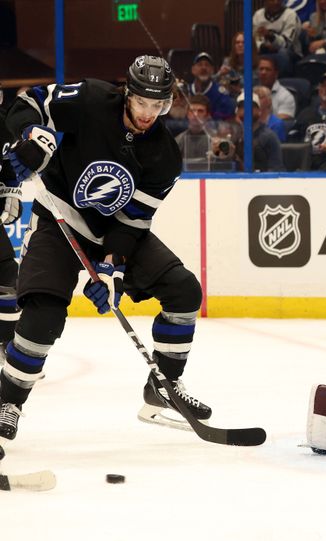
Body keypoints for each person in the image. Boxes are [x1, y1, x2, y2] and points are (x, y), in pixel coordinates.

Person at [0, 55, 211, 440]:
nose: (149, 114)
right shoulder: (91, 99)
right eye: (142, 102)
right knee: (43, 318)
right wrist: (32, 134)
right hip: (58, 218)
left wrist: (112, 268)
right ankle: (8, 400)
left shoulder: (165, 155)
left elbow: (131, 222)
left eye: (158, 105)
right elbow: (27, 102)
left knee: (184, 291)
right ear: (127, 94)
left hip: (113, 231)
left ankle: (162, 387)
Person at [0, 90, 21, 364]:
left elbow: (8, 165)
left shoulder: (4, 126)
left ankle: (6, 341)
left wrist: (11, 190)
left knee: (6, 273)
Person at [293, 71, 326, 170]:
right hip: (304, 164)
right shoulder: (306, 113)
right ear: (319, 89)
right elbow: (292, 138)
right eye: (323, 86)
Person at [175, 95, 236, 170]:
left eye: (200, 111)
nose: (195, 115)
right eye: (192, 111)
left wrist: (224, 148)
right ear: (187, 114)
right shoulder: (179, 140)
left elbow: (229, 151)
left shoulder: (216, 138)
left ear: (207, 115)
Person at [188, 52, 236, 121]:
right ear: (193, 70)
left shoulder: (221, 94)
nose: (203, 68)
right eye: (200, 65)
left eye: (207, 65)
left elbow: (223, 120)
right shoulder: (186, 91)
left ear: (212, 70)